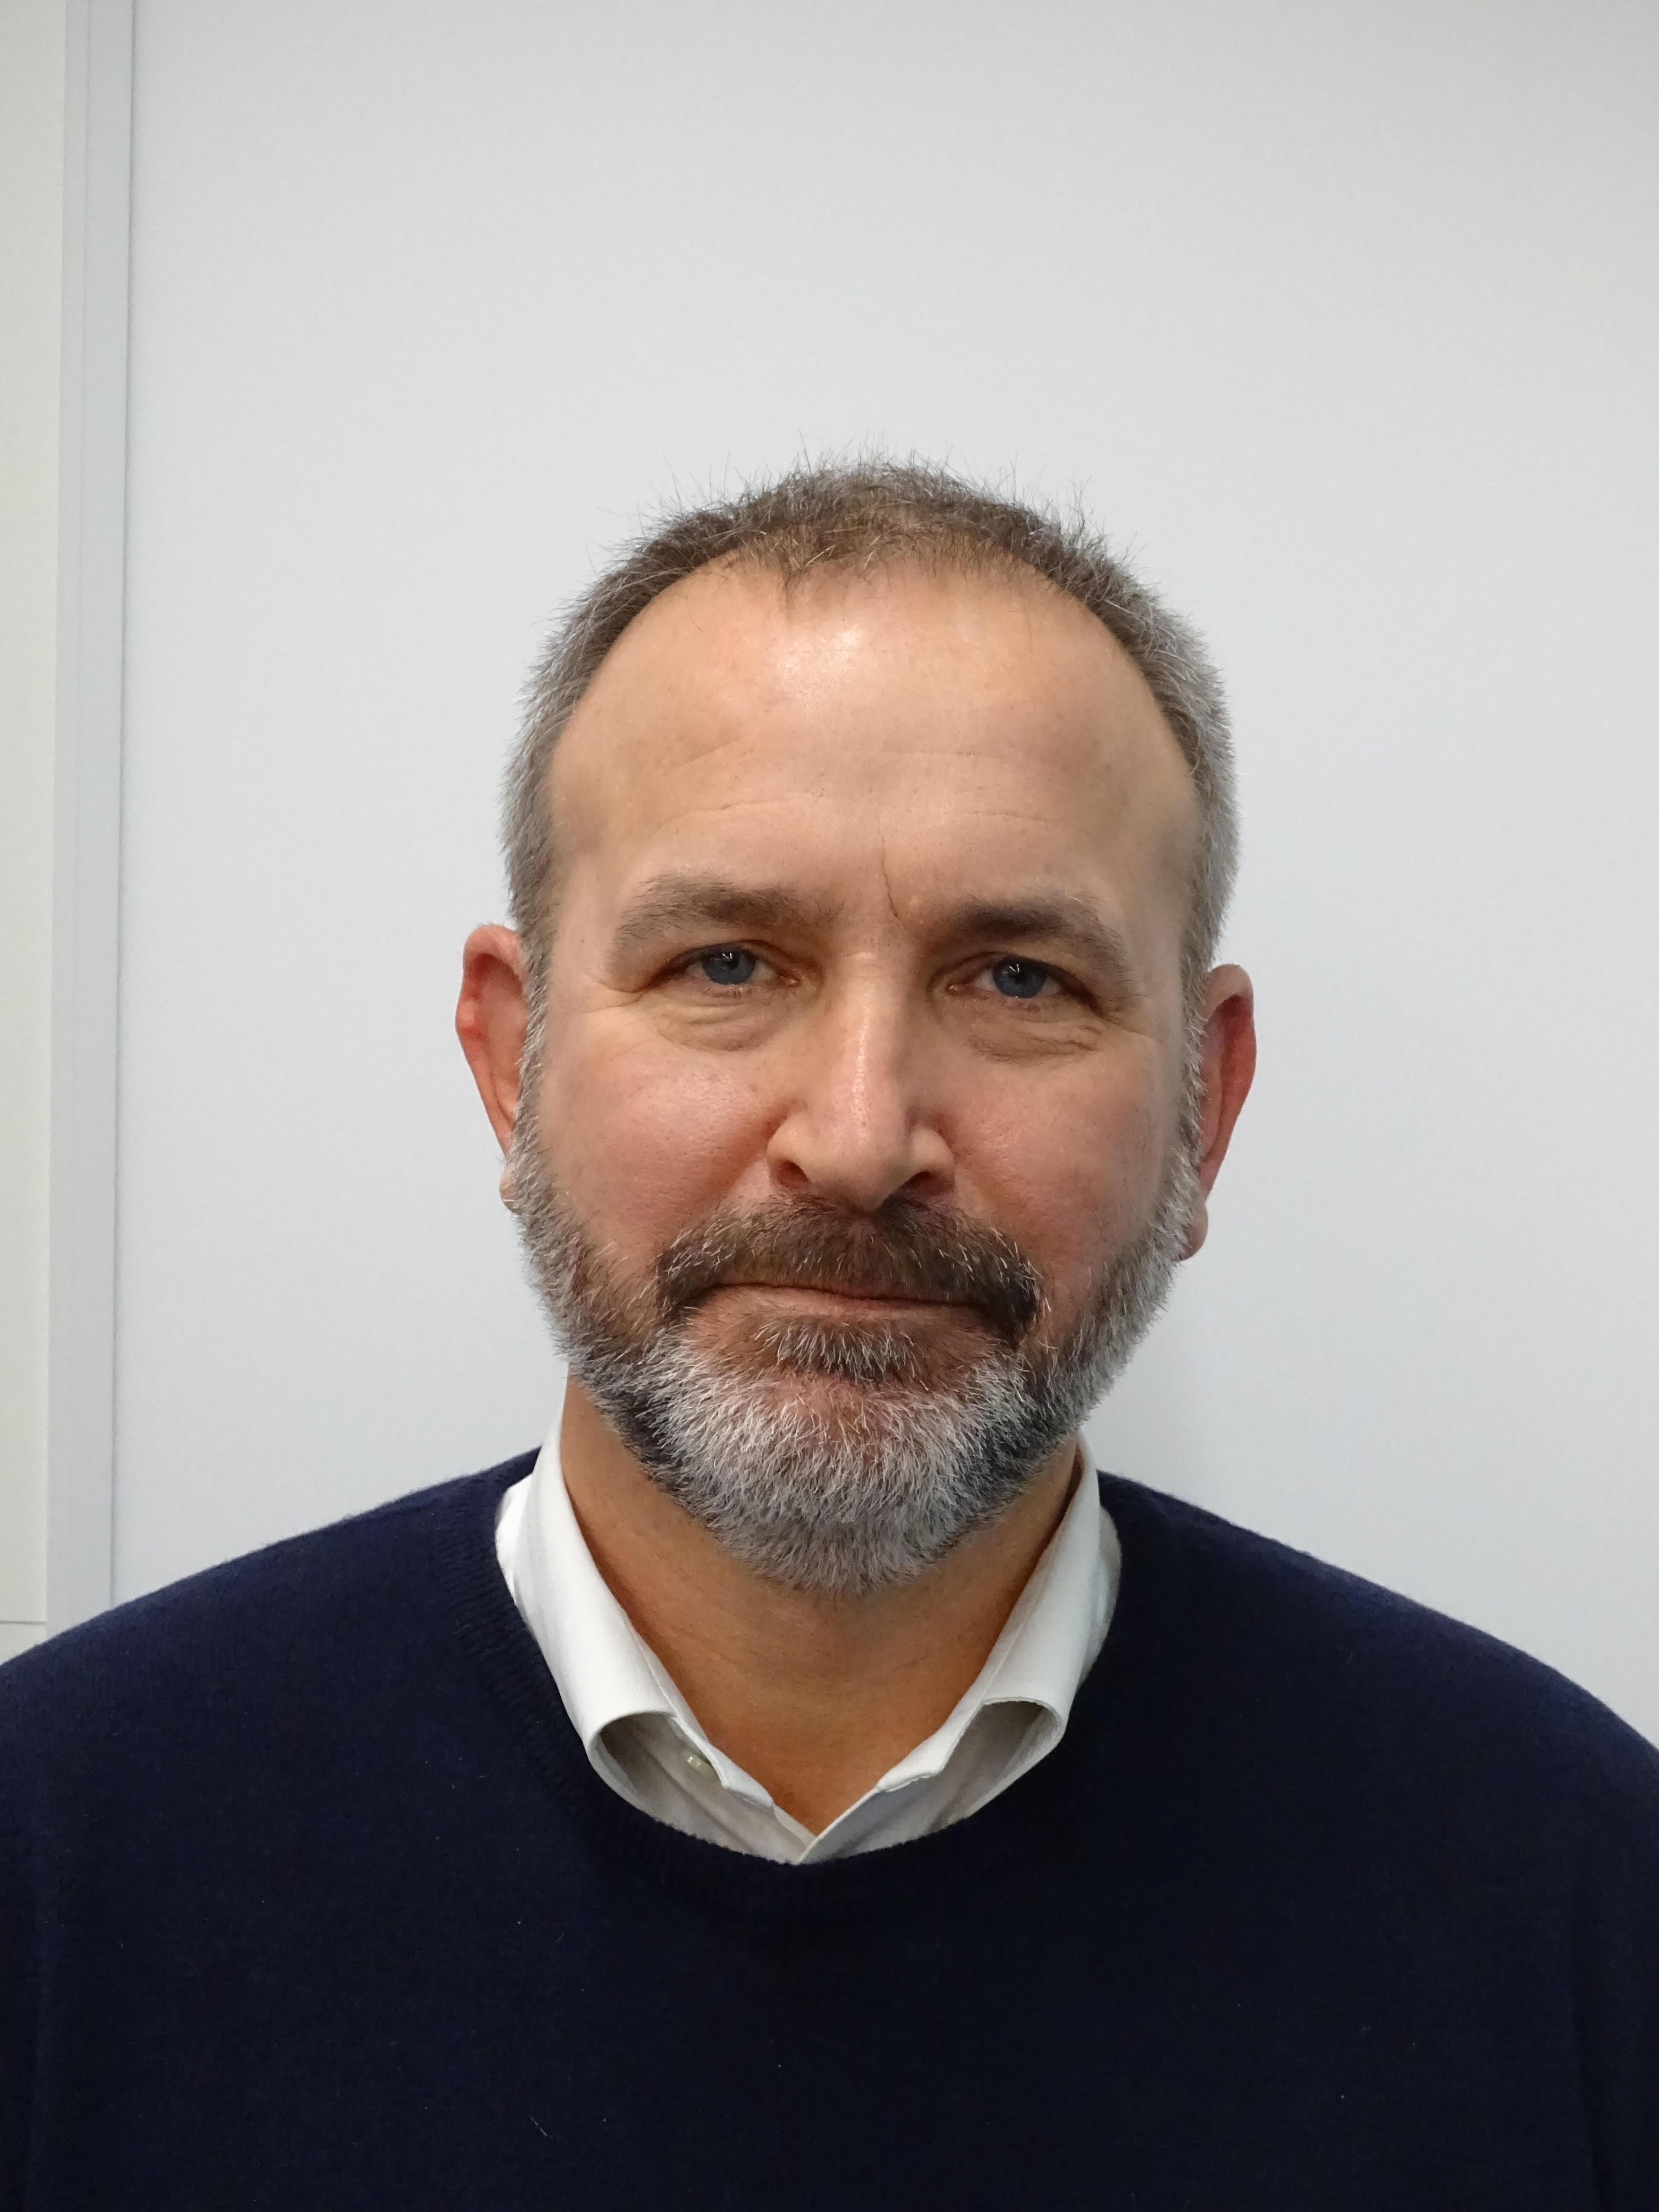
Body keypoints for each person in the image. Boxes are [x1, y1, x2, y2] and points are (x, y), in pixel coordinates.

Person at [1, 461, 1654, 2208]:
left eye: (1017, 979)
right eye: (728, 964)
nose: (860, 1141)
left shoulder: (1573, 1902)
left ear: (1207, 1106)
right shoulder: (54, 1863)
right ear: (510, 1062)